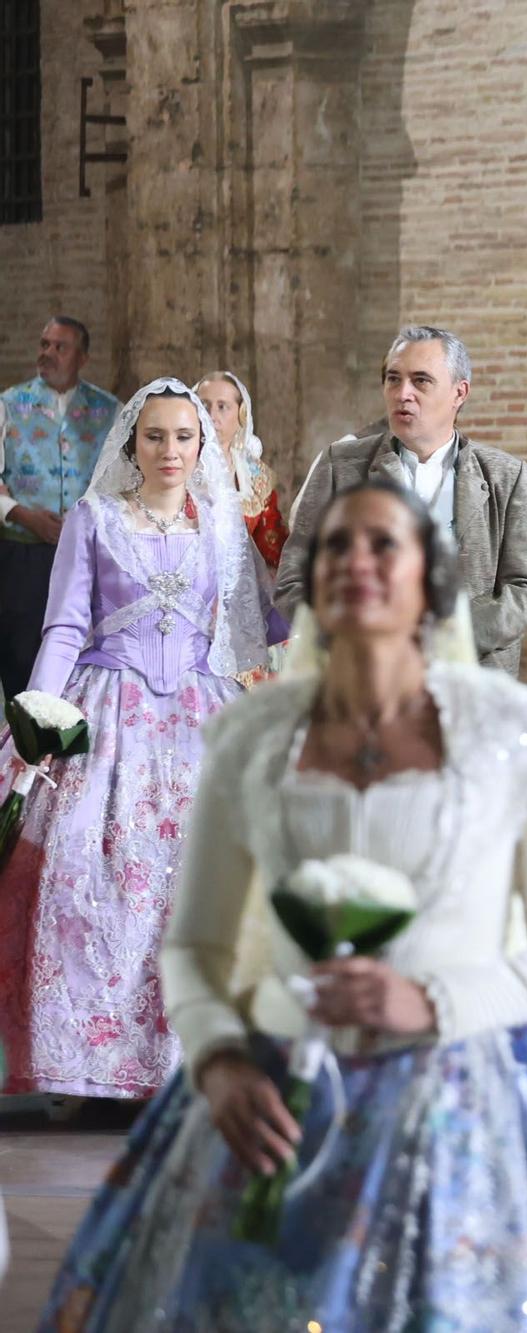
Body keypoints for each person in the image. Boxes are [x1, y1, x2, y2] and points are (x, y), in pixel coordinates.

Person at [39, 477, 527, 1329]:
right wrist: (221, 1061)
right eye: (335, 545)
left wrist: (435, 999)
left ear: (430, 584)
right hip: (275, 1090)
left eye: (384, 545)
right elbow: (194, 947)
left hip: (463, 1089)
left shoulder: (518, 736)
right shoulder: (250, 737)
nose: (355, 562)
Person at [0, 379, 284, 1103]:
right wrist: (38, 711)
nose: (170, 449)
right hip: (108, 710)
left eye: (184, 436)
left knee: (201, 877)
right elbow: (65, 624)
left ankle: (189, 1060)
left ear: (201, 446)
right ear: (132, 443)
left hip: (199, 714)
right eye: (155, 436)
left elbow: (261, 620)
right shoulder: (92, 519)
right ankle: (92, 1066)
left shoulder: (221, 523)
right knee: (88, 874)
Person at [275, 324, 527, 675]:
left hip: (471, 684)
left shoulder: (505, 477)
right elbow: (292, 582)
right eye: (393, 379)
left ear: (459, 393)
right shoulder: (340, 467)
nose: (403, 393)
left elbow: (526, 591)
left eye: (421, 381)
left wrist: (449, 636)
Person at [0, 317, 121, 700]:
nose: (47, 353)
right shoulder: (7, 405)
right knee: (20, 656)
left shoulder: (111, 410)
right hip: (23, 557)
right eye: (44, 344)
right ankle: (19, 749)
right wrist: (23, 514)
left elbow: (122, 481)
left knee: (82, 654)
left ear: (83, 357)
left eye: (60, 347)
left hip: (89, 555)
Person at [195, 371, 290, 570]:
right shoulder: (174, 464)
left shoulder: (256, 475)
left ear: (241, 415)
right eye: (203, 406)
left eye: (222, 407)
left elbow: (272, 545)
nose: (211, 416)